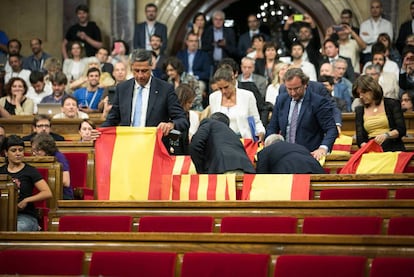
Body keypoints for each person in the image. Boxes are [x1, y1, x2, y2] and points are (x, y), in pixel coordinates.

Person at [101, 49, 189, 139]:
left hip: (154, 145)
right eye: (136, 71)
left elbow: (182, 120)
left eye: (144, 71)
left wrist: (171, 125)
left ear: (151, 67)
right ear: (131, 68)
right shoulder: (122, 88)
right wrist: (98, 132)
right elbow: (112, 119)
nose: (140, 75)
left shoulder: (165, 89)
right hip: (128, 143)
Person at [266, 68, 338, 160]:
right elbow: (272, 127)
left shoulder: (318, 102)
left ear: (305, 84)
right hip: (284, 155)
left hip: (309, 155)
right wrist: (269, 143)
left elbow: (331, 129)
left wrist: (322, 148)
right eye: (289, 89)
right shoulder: (281, 100)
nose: (293, 93)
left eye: (296, 88)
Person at [0, 135, 52, 231]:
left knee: (17, 228)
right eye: (13, 150)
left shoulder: (30, 171)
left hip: (25, 216)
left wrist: (26, 200)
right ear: (6, 153)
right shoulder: (1, 171)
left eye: (20, 150)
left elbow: (47, 192)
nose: (18, 153)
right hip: (3, 216)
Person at [209, 66, 265, 141]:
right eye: (220, 88)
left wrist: (260, 132)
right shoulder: (213, 97)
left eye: (226, 87)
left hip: (243, 140)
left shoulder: (247, 96)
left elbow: (255, 121)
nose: (223, 91)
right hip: (221, 141)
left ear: (233, 81)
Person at [189, 112, 255, 174]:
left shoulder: (208, 123)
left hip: (223, 167)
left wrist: (201, 170)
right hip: (247, 169)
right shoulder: (232, 134)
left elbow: (195, 145)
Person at [354, 74, 406, 152]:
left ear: (373, 89)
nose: (361, 96)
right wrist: (367, 147)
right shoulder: (359, 110)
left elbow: (401, 129)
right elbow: (360, 138)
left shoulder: (392, 104)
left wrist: (386, 135)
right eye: (359, 94)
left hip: (392, 146)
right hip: (371, 148)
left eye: (364, 92)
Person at [31, 133, 73, 200]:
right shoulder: (37, 159)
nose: (34, 153)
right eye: (33, 150)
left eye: (37, 150)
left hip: (63, 195)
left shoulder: (59, 157)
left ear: (46, 148)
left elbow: (66, 182)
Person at [256, 134, 325, 174]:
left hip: (290, 172)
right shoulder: (299, 146)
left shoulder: (265, 151)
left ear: (267, 145)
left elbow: (261, 176)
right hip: (315, 168)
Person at [359, 0, 393, 65]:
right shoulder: (363, 25)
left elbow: (389, 41)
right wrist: (379, 39)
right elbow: (362, 41)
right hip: (368, 53)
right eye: (372, 7)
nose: (375, 10)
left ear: (381, 9)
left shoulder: (388, 24)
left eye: (377, 7)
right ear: (370, 9)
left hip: (383, 53)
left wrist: (369, 38)